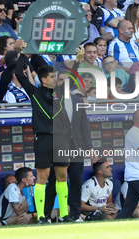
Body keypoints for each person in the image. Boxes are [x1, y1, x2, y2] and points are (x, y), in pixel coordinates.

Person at [14, 53, 76, 223]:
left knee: (62, 176)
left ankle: (64, 214)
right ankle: (41, 216)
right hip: (43, 139)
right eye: (52, 77)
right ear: (43, 80)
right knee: (42, 178)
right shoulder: (34, 92)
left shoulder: (62, 91)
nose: (56, 79)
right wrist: (23, 55)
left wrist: (78, 58)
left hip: (61, 138)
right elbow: (19, 74)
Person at [45, 81, 94, 222]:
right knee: (55, 181)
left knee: (76, 182)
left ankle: (75, 215)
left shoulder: (78, 100)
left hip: (77, 147)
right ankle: (47, 215)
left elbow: (84, 126)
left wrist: (90, 147)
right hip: (59, 146)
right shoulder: (52, 100)